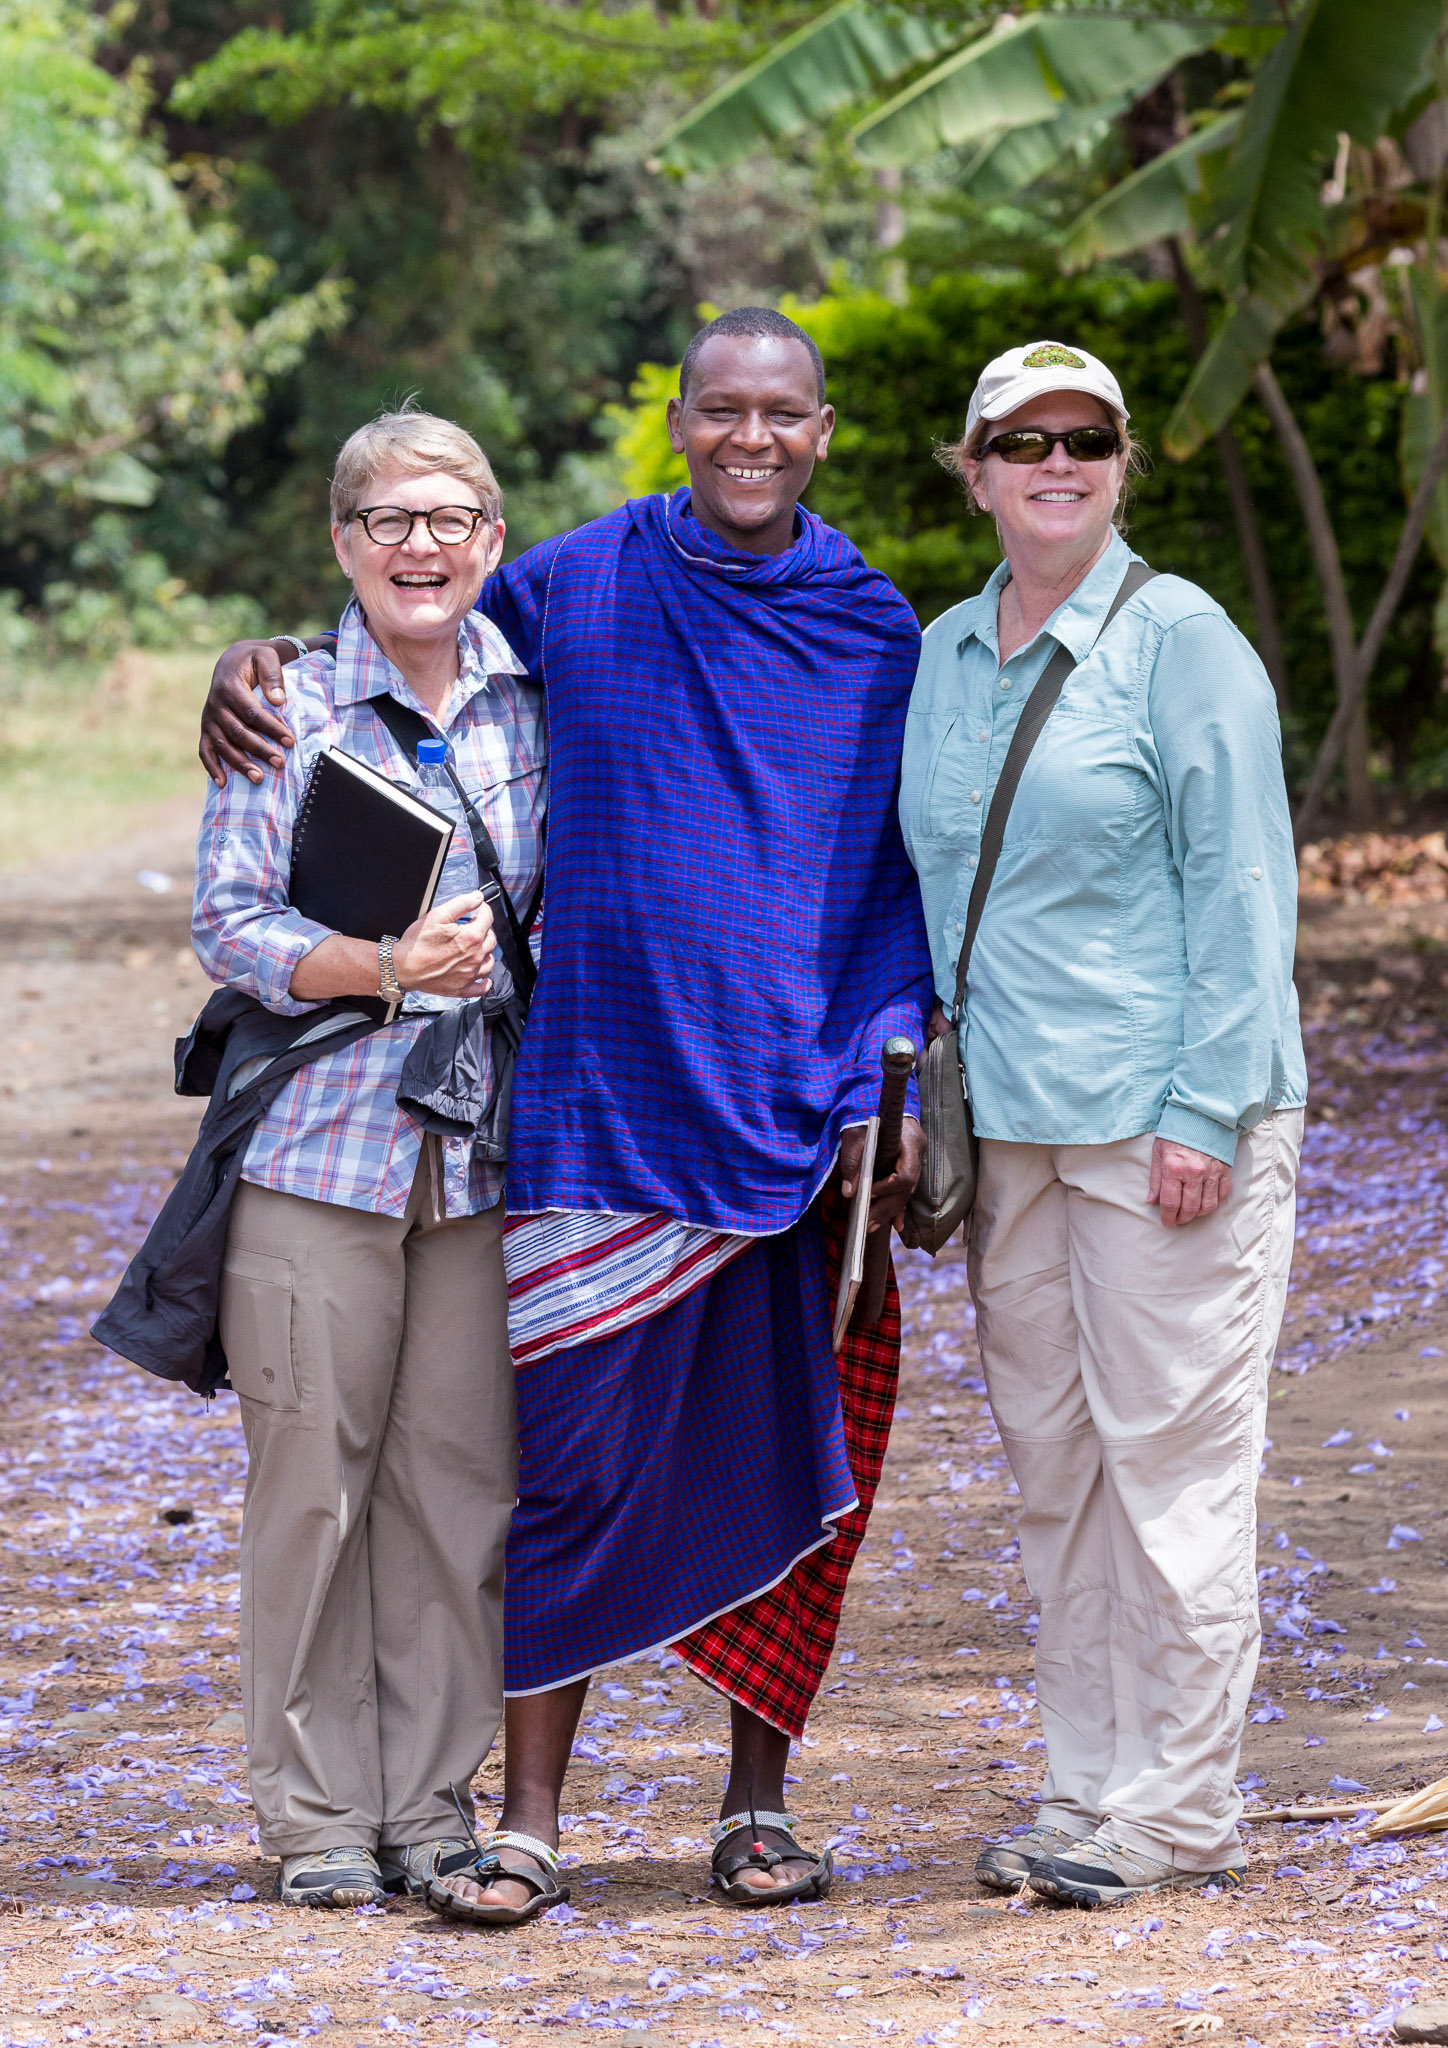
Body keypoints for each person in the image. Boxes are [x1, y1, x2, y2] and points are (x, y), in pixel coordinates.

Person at [198, 307, 933, 1921]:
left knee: (784, 1463)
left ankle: (754, 1807)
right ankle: (516, 1818)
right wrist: (247, 663)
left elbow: (899, 880)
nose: (752, 438)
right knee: (562, 1474)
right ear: (677, 422)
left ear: (823, 430)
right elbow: (402, 634)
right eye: (721, 412)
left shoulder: (879, 633)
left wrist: (887, 1078)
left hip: (793, 1125)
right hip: (591, 1115)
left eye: (782, 414)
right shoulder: (580, 587)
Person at [899, 341, 1304, 1908]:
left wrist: (1206, 1106)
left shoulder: (1181, 641)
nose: (1056, 463)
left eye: (1088, 438)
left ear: (1123, 463)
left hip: (1163, 1127)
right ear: (974, 464)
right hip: (1011, 1134)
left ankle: (1182, 1807)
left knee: (1175, 1471)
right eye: (1022, 439)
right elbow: (928, 891)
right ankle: (1089, 1786)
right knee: (1056, 1467)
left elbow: (1243, 889)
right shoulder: (944, 652)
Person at [190, 408, 544, 1908]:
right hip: (319, 1158)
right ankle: (317, 1814)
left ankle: (430, 1804)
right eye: (388, 521)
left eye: (449, 518)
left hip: (475, 1168)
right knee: (312, 1489)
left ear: (493, 541)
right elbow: (229, 920)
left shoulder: (536, 703)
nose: (420, 547)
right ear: (341, 543)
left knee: (456, 1489)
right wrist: (381, 963)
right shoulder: (287, 703)